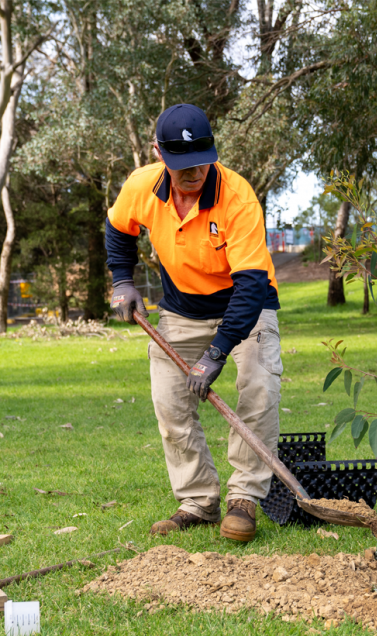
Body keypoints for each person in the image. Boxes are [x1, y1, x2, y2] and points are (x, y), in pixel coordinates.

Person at [104, 103, 282, 543]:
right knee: (169, 401)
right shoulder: (142, 186)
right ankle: (199, 500)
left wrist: (217, 353)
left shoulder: (237, 197)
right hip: (181, 310)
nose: (193, 173)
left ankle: (245, 498)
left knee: (258, 385)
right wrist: (123, 280)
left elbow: (251, 286)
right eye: (182, 165)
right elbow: (118, 229)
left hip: (246, 303)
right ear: (159, 154)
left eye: (201, 162)